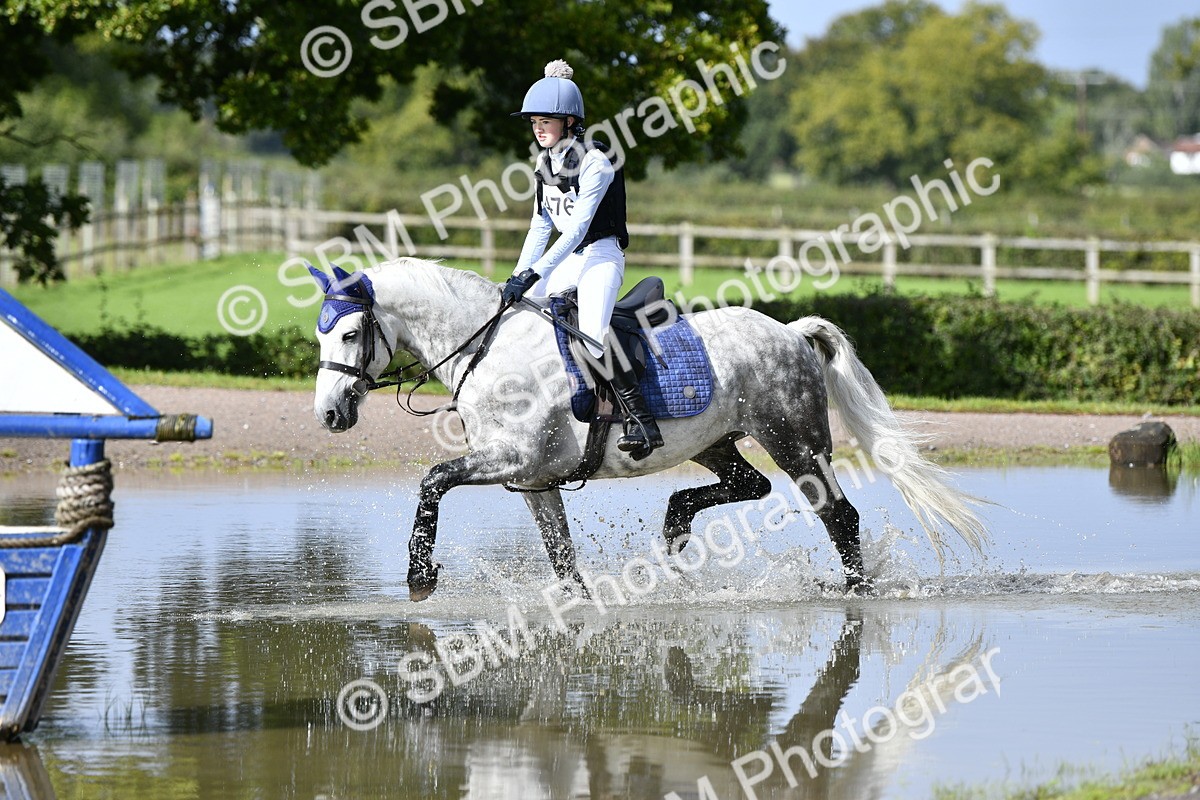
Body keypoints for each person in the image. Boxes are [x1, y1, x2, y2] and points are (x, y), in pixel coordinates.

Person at [502, 60, 663, 458]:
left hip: (602, 254)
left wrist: (537, 271)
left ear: (571, 121)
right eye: (534, 121)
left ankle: (641, 420)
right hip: (571, 257)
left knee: (592, 332)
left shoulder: (596, 161)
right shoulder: (544, 164)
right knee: (521, 310)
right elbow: (540, 227)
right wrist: (520, 276)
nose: (538, 128)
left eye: (546, 120)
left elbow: (574, 229)